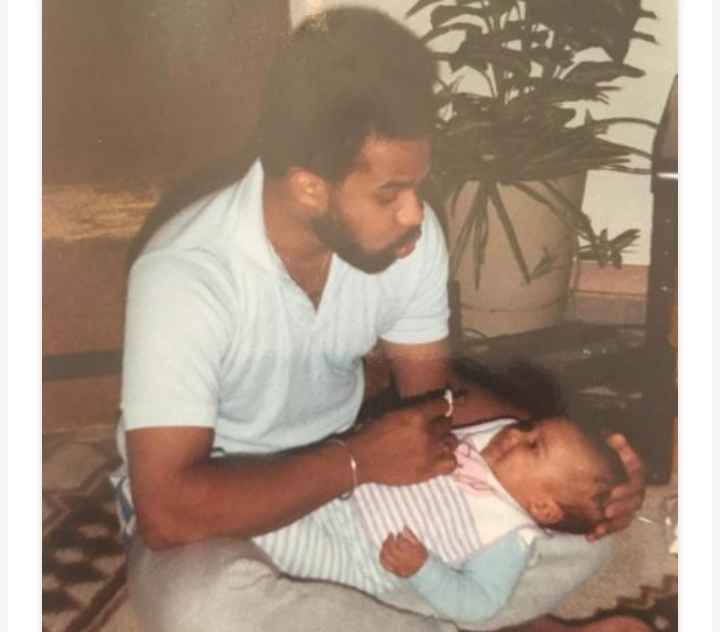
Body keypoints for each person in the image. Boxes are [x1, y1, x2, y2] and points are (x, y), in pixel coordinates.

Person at [111, 7, 647, 632]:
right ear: (311, 187)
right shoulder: (185, 275)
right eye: (389, 193)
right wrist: (357, 460)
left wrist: (582, 480)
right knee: (207, 610)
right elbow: (170, 511)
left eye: (417, 185)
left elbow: (432, 402)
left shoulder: (404, 241)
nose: (415, 215)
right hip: (224, 514)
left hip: (364, 500)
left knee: (584, 536)